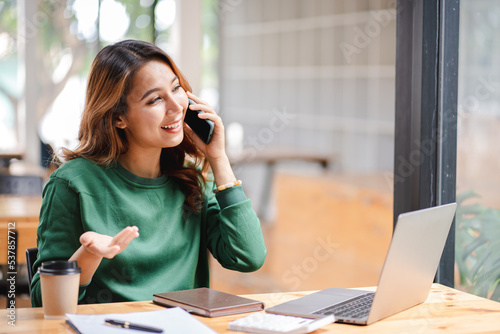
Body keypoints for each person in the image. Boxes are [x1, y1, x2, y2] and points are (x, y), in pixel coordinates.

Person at [30, 39, 267, 306]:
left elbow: (248, 257)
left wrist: (218, 158)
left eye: (176, 88)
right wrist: (88, 254)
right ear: (119, 117)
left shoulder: (194, 178)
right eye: (155, 99)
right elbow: (42, 302)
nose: (177, 107)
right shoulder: (71, 183)